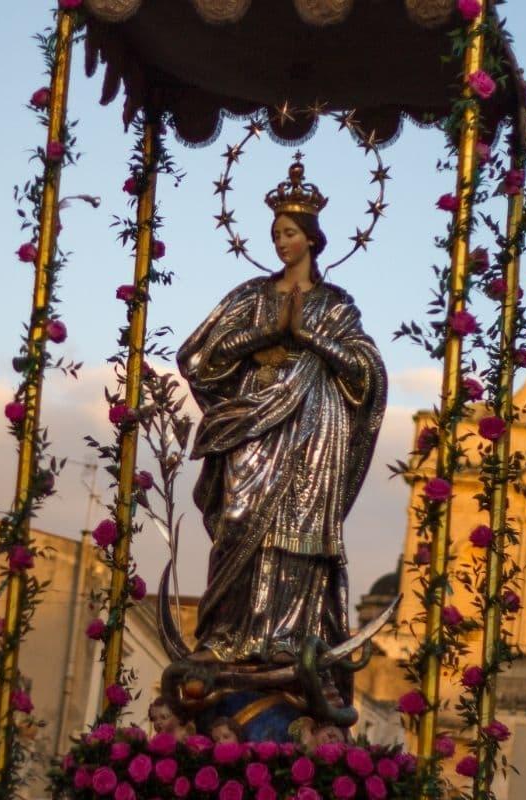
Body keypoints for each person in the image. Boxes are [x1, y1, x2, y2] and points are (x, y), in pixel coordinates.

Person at [177, 159, 387, 709]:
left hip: (313, 431)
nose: (280, 242)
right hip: (253, 424)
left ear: (312, 239)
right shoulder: (251, 296)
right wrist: (264, 334)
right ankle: (226, 637)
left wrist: (311, 338)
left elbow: (366, 373)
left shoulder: (336, 304)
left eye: (289, 233)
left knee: (296, 536)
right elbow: (199, 357)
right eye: (274, 234)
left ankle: (288, 640)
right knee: (239, 521)